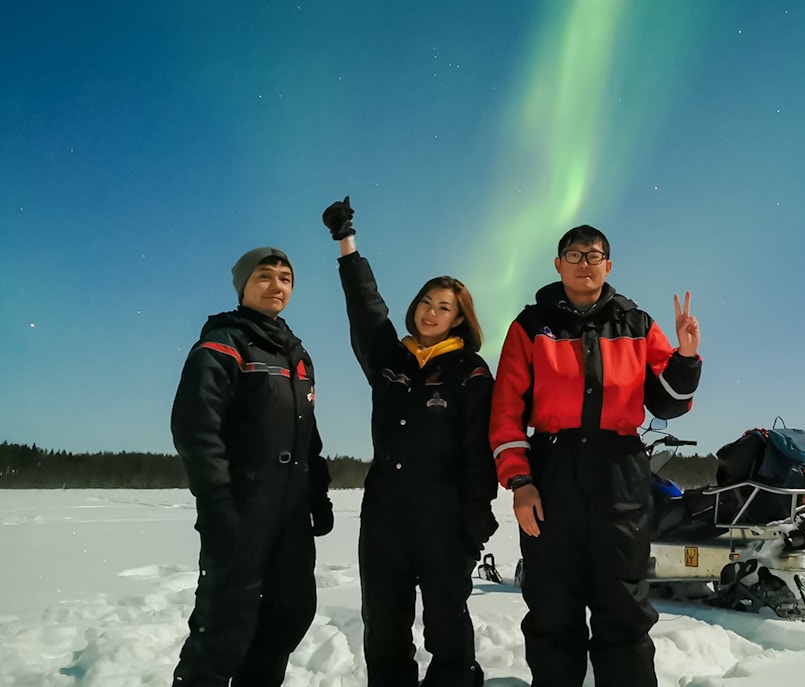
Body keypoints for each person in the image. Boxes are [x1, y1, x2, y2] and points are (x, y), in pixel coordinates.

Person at [489, 224, 702, 687]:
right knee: (551, 605)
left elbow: (669, 402)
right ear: (557, 264)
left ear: (609, 265)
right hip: (552, 469)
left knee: (623, 604)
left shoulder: (637, 323)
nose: (585, 263)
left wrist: (685, 357)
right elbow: (505, 410)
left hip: (619, 471)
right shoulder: (530, 326)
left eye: (594, 255)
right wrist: (520, 482)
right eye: (574, 254)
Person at [322, 197, 498, 687]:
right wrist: (346, 244)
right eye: (425, 302)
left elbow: (478, 450)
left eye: (444, 308)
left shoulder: (471, 371)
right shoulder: (391, 360)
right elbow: (366, 309)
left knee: (447, 628)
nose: (430, 312)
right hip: (384, 515)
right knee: (384, 626)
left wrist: (476, 517)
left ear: (459, 319)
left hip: (444, 516)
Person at [170, 246, 333, 687]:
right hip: (242, 507)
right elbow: (196, 427)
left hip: (290, 514)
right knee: (225, 625)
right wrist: (217, 500)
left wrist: (316, 492)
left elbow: (308, 436)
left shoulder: (297, 356)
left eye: (285, 278)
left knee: (288, 614)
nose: (276, 285)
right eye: (264, 276)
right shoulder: (223, 342)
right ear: (243, 286)